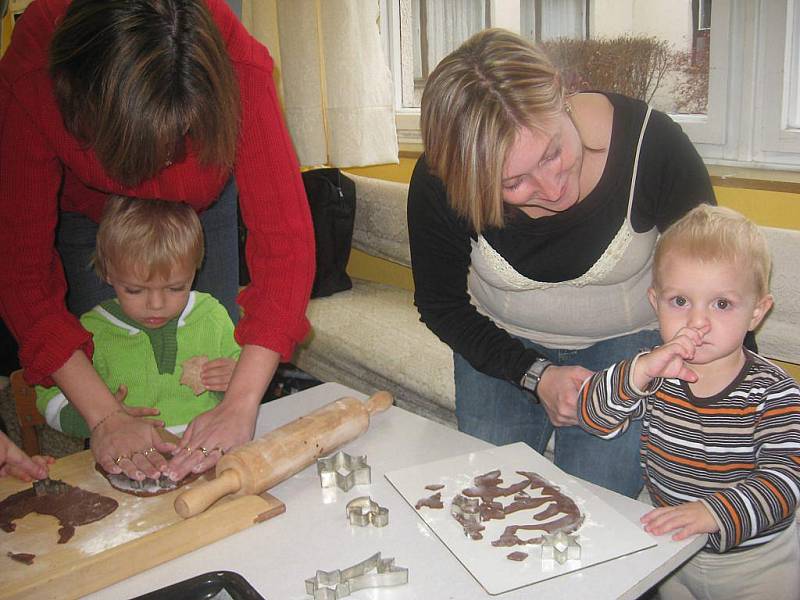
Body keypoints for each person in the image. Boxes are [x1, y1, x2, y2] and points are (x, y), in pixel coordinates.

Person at [0, 0, 314, 483]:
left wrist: (241, 402)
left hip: (200, 210)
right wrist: (105, 417)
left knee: (217, 370)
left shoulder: (234, 61)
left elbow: (285, 249)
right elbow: (19, 273)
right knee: (117, 391)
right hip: (91, 215)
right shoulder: (33, 67)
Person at [407, 28, 715, 497]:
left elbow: (719, 281)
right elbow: (441, 305)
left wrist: (726, 405)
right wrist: (535, 374)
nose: (552, 191)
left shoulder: (651, 145)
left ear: (562, 91)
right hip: (499, 345)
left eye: (553, 153)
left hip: (627, 351)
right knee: (487, 500)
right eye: (513, 183)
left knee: (598, 504)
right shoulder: (440, 179)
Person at [579, 204, 800, 600]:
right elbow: (593, 417)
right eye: (680, 301)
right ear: (655, 300)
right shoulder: (656, 372)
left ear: (757, 312)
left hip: (756, 565)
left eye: (722, 304)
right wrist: (638, 372)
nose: (697, 322)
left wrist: (714, 512)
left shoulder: (775, 391)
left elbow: (785, 482)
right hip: (675, 553)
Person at [35, 197, 240, 452]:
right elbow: (49, 400)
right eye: (134, 290)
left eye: (176, 287)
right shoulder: (87, 332)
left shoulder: (211, 314)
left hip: (207, 449)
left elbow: (245, 375)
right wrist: (98, 418)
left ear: (194, 271)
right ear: (108, 273)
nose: (156, 304)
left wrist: (236, 379)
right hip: (129, 458)